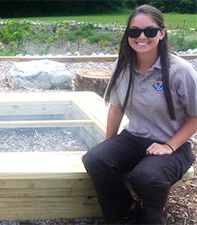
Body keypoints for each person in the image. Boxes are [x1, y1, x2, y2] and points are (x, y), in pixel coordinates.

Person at [82, 4, 197, 225]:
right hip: (134, 138)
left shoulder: (180, 71)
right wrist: (108, 145)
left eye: (150, 31)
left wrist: (169, 146)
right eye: (134, 31)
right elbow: (116, 107)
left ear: (162, 33)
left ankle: (154, 215)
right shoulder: (122, 66)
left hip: (173, 145)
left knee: (146, 177)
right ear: (128, 35)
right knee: (96, 159)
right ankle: (126, 211)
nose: (141, 37)